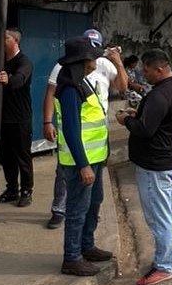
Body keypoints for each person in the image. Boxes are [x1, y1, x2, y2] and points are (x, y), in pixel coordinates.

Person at [117, 49, 172, 285]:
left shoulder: (160, 95)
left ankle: (165, 265)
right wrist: (139, 114)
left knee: (159, 219)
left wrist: (125, 120)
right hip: (169, 161)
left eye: (146, 71)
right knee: (167, 215)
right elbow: (159, 121)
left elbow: (145, 129)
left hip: (155, 166)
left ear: (159, 69)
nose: (143, 74)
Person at [41, 29, 127, 229]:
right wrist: (47, 122)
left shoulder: (104, 64)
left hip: (97, 134)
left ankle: (87, 236)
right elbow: (50, 93)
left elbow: (122, 87)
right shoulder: (65, 74)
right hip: (76, 137)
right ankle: (59, 209)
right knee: (68, 178)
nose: (94, 58)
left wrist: (118, 62)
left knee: (92, 193)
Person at [54, 37, 114, 277]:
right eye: (92, 57)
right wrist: (83, 165)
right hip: (81, 162)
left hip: (94, 158)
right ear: (83, 61)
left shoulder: (82, 82)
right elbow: (70, 129)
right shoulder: (69, 87)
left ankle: (86, 246)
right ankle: (72, 257)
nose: (95, 61)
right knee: (77, 208)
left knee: (93, 202)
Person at [0, 28, 35, 207]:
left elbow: (20, 79)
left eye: (6, 37)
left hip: (20, 118)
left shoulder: (24, 62)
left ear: (15, 41)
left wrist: (9, 80)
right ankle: (12, 189)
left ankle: (27, 190)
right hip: (4, 118)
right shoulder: (3, 62)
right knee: (6, 157)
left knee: (22, 156)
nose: (2, 40)